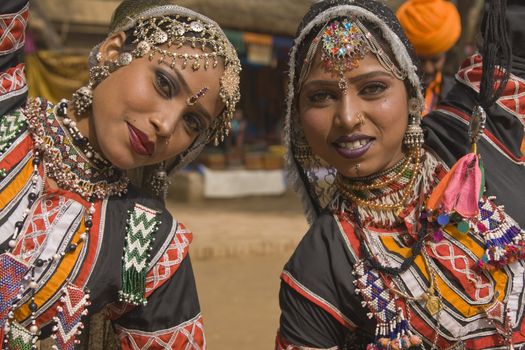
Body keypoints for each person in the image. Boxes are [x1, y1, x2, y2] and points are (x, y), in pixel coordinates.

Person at [276, 0, 525, 349]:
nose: (347, 117)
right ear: (298, 118)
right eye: (321, 96)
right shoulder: (319, 266)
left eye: (373, 88)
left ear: (411, 93)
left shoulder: (468, 132)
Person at [0, 0, 240, 349]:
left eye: (192, 122)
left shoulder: (144, 240)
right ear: (113, 52)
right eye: (164, 84)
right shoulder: (6, 115)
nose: (166, 124)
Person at [396, 0, 462, 115]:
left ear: (446, 55)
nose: (428, 69)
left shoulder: (456, 94)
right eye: (420, 60)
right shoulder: (393, 91)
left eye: (435, 60)